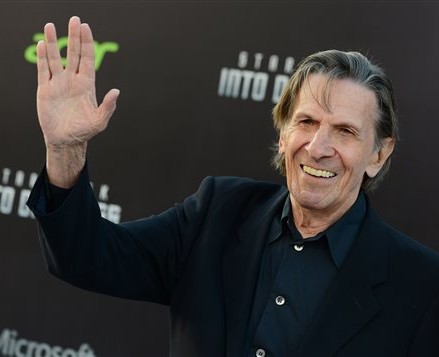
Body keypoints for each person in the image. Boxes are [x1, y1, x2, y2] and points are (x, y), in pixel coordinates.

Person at [27, 16, 439, 356]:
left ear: (379, 154)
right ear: (282, 132)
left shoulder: (420, 285)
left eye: (345, 131)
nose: (318, 147)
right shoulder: (216, 213)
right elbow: (85, 256)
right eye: (307, 122)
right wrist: (65, 150)